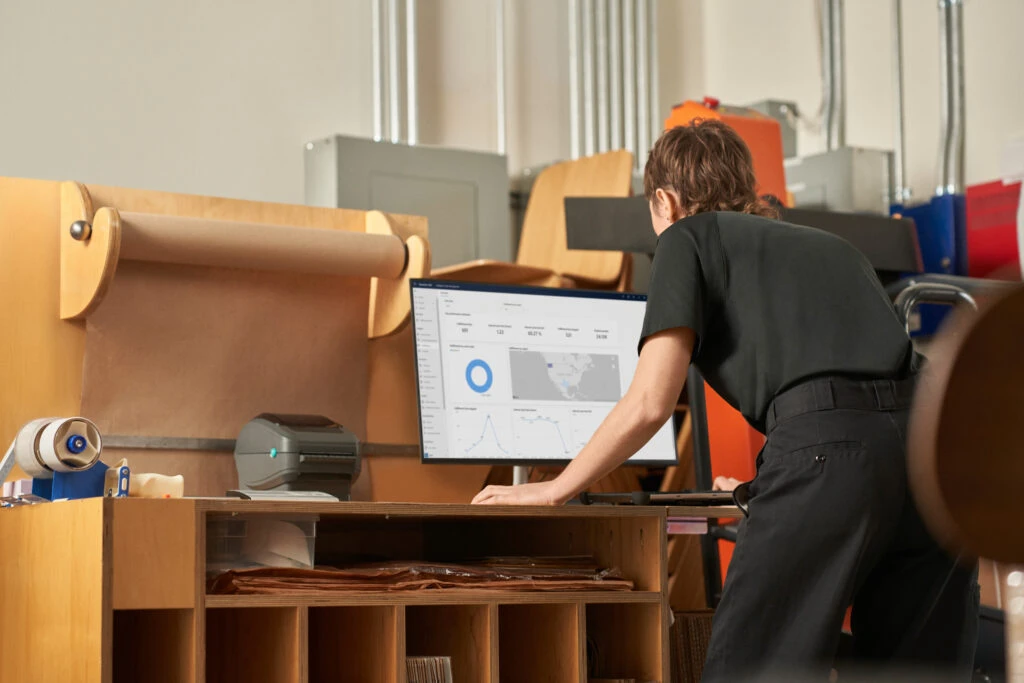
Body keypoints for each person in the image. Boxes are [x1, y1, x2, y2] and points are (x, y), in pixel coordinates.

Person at [472, 119, 979, 681]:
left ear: (665, 199)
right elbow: (865, 402)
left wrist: (554, 489)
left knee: (749, 668)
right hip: (937, 455)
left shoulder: (686, 238)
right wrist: (772, 482)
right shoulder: (834, 247)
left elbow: (650, 401)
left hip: (832, 462)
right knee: (915, 673)